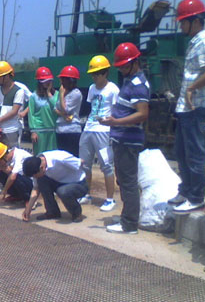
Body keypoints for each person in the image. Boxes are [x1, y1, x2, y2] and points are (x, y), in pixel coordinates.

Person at [98, 43, 149, 234]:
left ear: (135, 62)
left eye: (124, 66)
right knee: (124, 181)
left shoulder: (138, 85)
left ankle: (129, 224)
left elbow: (142, 114)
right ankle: (127, 217)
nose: (121, 69)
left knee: (128, 182)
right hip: (122, 140)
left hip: (128, 141)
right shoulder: (130, 81)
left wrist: (115, 122)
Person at [169, 0, 205, 213]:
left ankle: (195, 197)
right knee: (182, 153)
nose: (181, 26)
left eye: (183, 22)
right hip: (186, 109)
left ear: (196, 21)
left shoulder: (204, 42)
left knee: (195, 155)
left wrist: (192, 88)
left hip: (197, 108)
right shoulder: (194, 42)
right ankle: (185, 191)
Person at [78, 55, 119, 211]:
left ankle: (110, 199)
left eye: (97, 74)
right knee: (84, 164)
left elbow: (116, 111)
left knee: (106, 165)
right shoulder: (91, 88)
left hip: (104, 131)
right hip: (89, 128)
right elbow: (91, 107)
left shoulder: (113, 89)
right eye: (93, 74)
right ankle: (86, 194)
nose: (94, 77)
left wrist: (111, 124)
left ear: (105, 73)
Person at [0, 61, 25, 195]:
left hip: (12, 130)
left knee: (12, 160)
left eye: (0, 77)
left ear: (8, 75)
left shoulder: (19, 91)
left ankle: (14, 187)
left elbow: (15, 111)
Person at [22, 150, 88, 222]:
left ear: (41, 167)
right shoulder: (36, 164)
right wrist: (28, 209)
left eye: (35, 176)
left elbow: (81, 162)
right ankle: (52, 212)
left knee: (63, 191)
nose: (34, 178)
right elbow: (36, 189)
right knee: (41, 180)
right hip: (59, 182)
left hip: (79, 183)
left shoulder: (60, 158)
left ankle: (76, 213)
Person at [28, 67, 58, 155]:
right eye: (45, 81)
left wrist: (49, 93)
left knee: (52, 156)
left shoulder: (56, 94)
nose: (47, 83)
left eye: (49, 81)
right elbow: (31, 114)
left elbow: (56, 106)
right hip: (39, 131)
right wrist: (33, 131)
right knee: (39, 156)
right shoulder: (34, 96)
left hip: (53, 130)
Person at [54, 65, 82, 157]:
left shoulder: (76, 93)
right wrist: (63, 115)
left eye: (63, 79)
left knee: (72, 157)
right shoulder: (62, 92)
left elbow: (65, 109)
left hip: (72, 130)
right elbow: (55, 108)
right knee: (62, 158)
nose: (61, 82)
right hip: (60, 130)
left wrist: (61, 95)